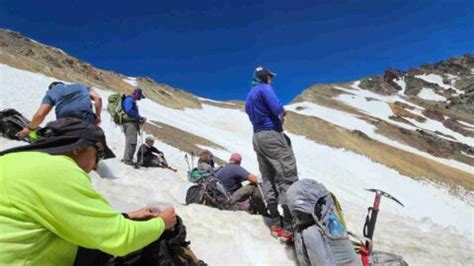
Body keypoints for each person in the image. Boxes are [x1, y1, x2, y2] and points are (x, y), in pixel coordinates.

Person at [0, 118, 177, 265]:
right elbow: (120, 239)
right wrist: (162, 222)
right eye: (98, 153)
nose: (97, 165)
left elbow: (63, 217)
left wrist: (128, 217)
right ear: (78, 146)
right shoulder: (59, 169)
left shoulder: (14, 160)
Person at [245, 66, 299, 242]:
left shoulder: (249, 96)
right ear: (264, 76)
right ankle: (290, 225)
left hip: (257, 137)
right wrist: (282, 114)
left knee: (268, 177)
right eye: (270, 76)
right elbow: (277, 107)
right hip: (271, 135)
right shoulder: (264, 88)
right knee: (286, 175)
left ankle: (275, 221)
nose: (271, 79)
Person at [19, 81, 102, 138]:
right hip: (86, 115)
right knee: (90, 138)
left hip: (64, 118)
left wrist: (29, 129)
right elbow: (98, 98)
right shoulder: (81, 86)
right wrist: (98, 116)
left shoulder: (51, 92)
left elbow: (40, 114)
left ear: (52, 87)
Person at [121, 88, 147, 165]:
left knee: (130, 141)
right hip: (130, 124)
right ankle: (127, 160)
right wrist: (139, 117)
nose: (140, 99)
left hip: (130, 123)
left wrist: (139, 119)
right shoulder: (130, 99)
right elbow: (128, 110)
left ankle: (127, 159)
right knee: (131, 142)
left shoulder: (131, 100)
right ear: (137, 94)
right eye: (140, 97)